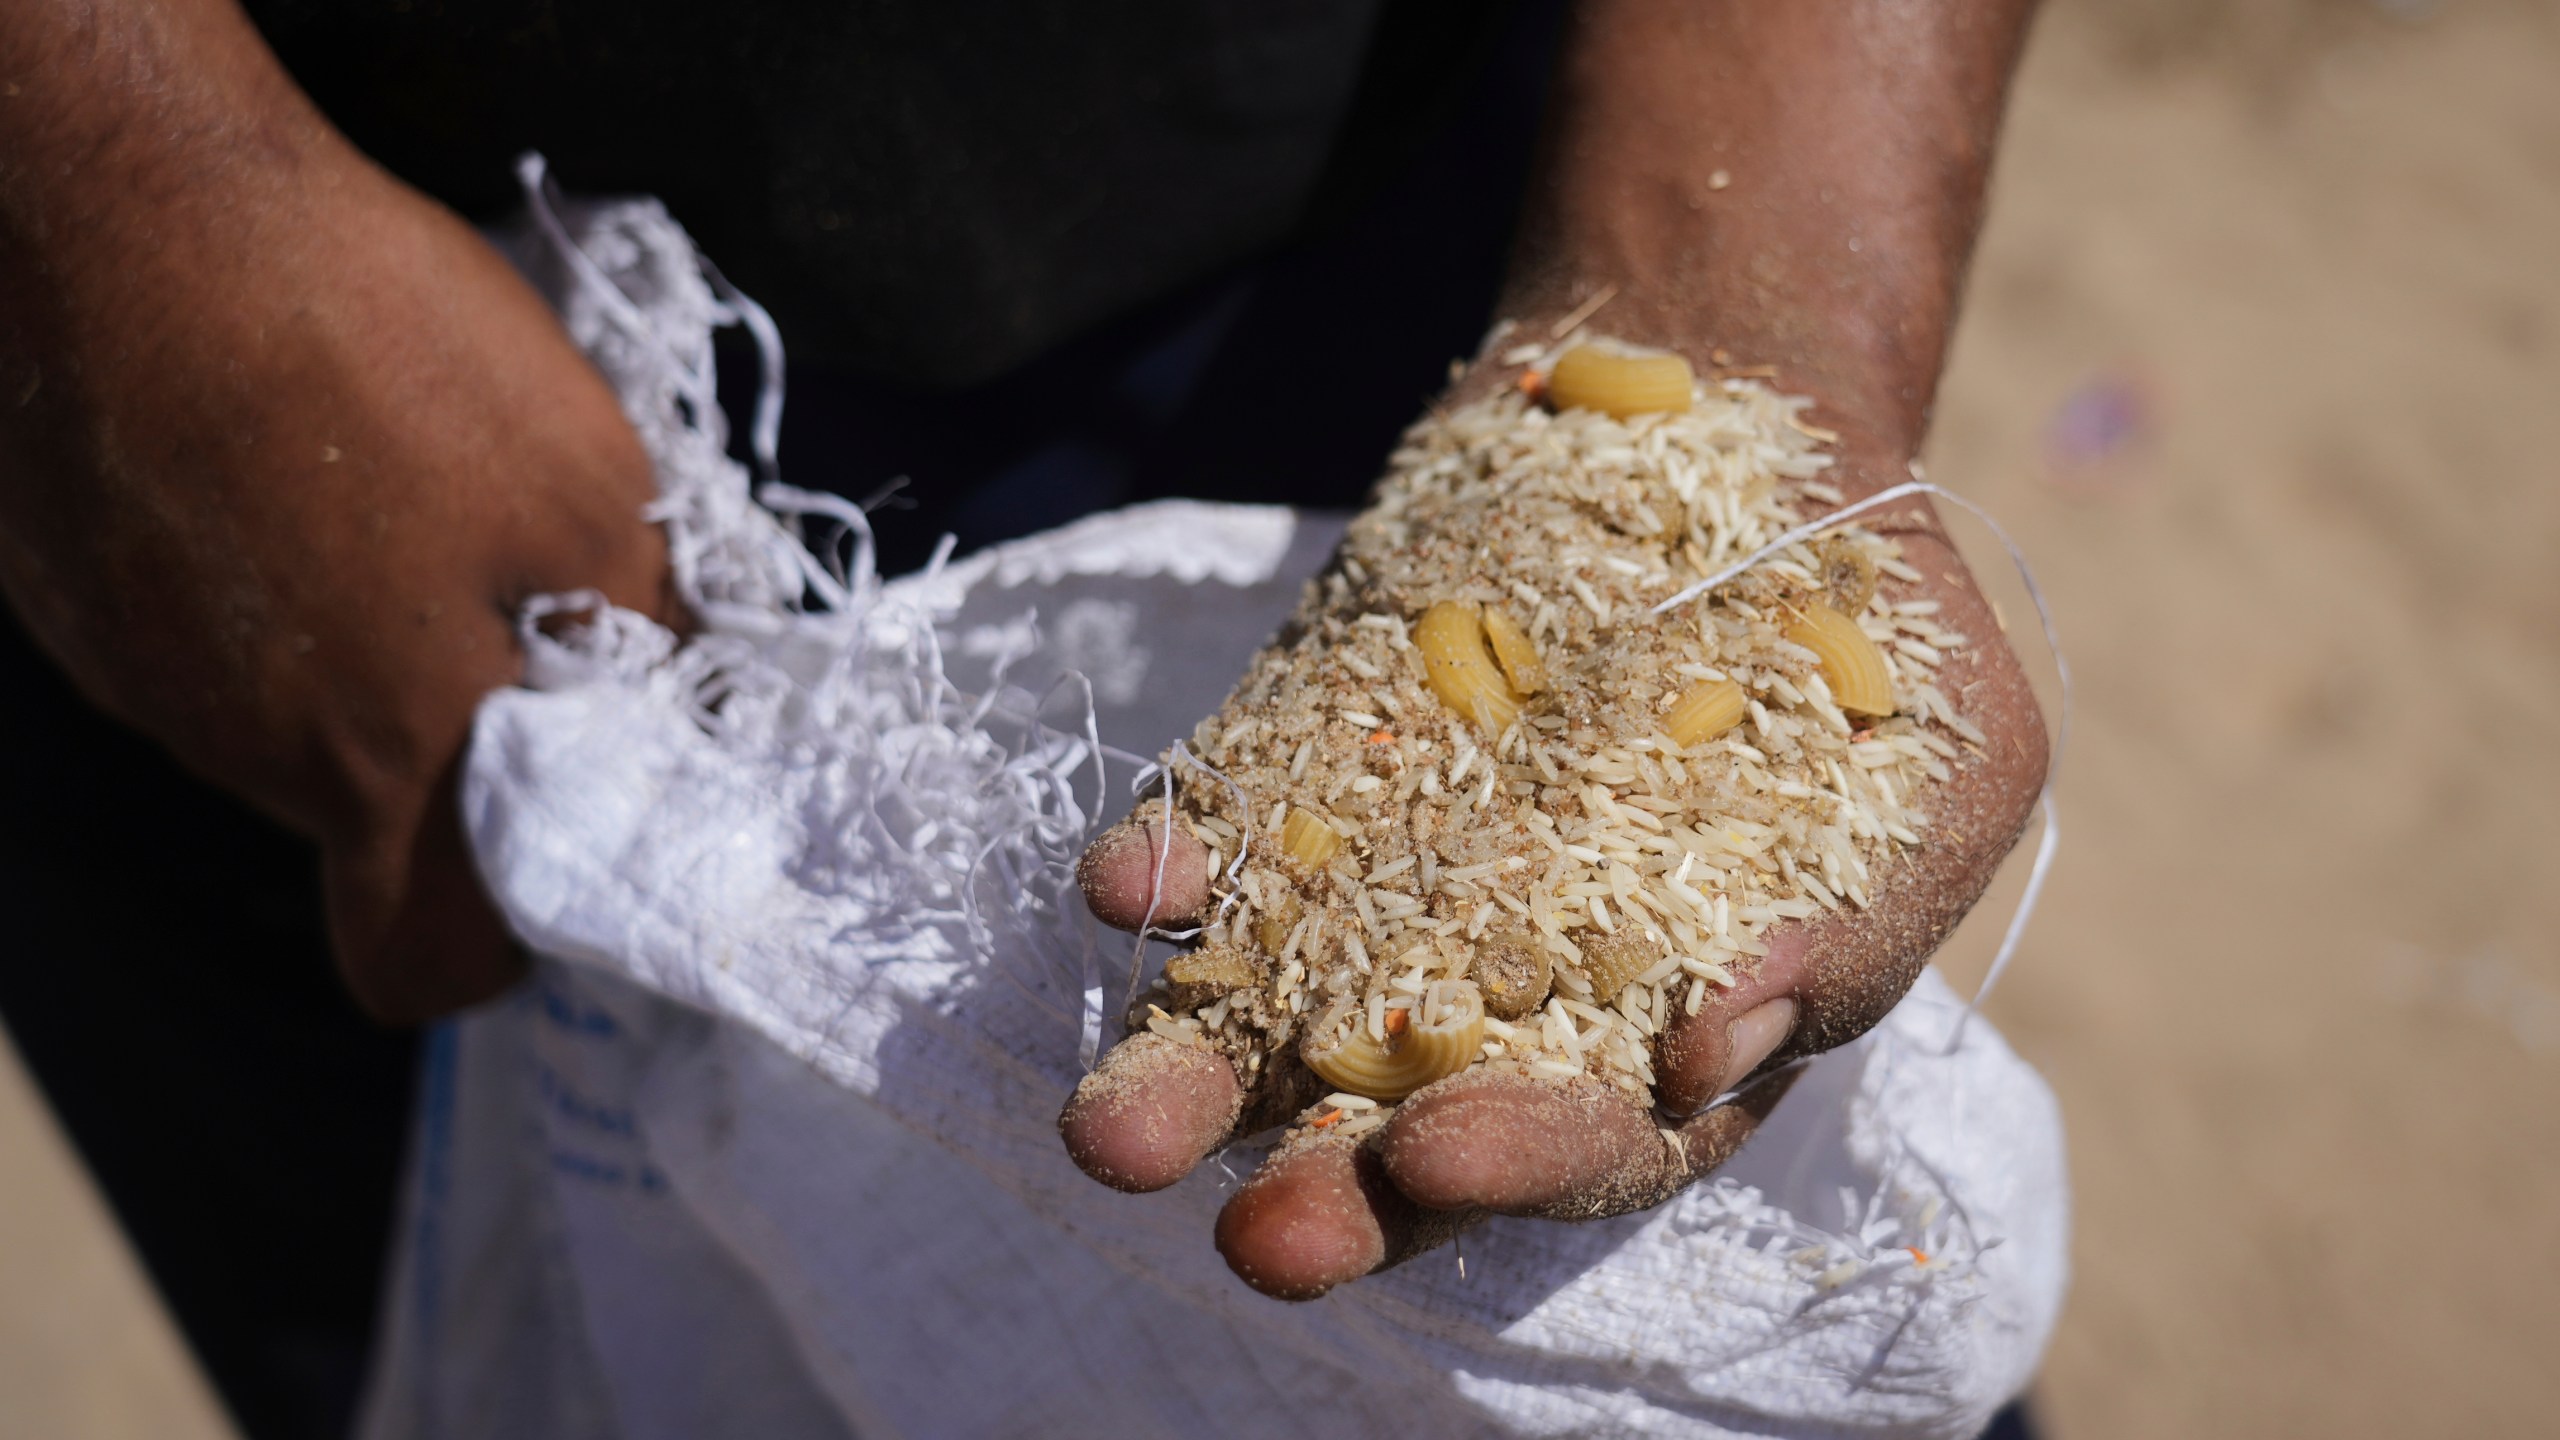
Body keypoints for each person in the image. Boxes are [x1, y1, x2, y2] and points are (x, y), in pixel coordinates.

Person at [0, 0, 2047, 1431]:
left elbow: (1701, 335)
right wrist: (106, 208)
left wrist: (1737, 298)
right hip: (233, 336)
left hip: (1371, 219)